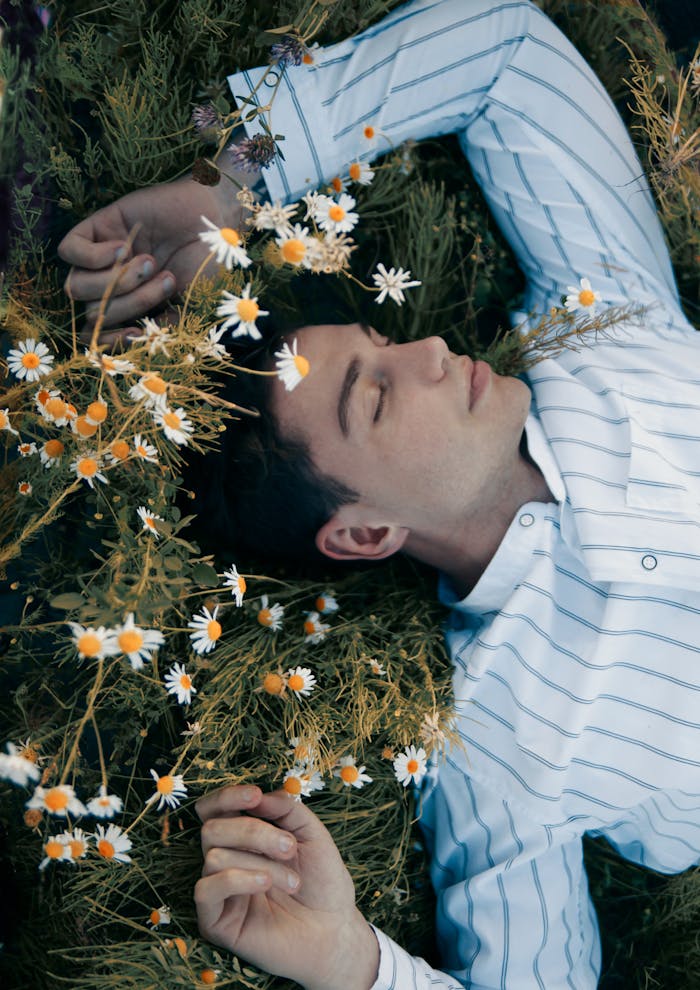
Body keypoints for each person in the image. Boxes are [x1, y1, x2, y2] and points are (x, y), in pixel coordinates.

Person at [57, 1, 700, 987]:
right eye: (375, 395)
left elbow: (507, 47)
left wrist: (232, 180)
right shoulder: (498, 750)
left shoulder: (602, 318)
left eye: (385, 346)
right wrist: (354, 961)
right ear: (363, 535)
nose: (433, 353)